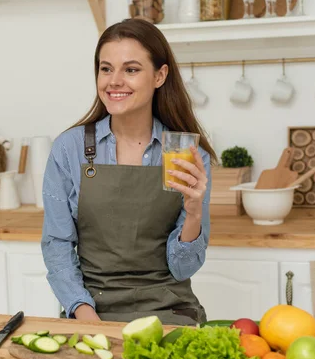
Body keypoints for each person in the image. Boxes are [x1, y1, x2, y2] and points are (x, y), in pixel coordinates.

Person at [40, 18, 217, 326]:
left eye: (131, 70)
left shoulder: (188, 156)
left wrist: (193, 214)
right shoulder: (69, 149)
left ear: (160, 76)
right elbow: (57, 245)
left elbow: (183, 269)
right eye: (106, 68)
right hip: (92, 308)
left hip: (170, 311)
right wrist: (85, 314)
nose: (114, 81)